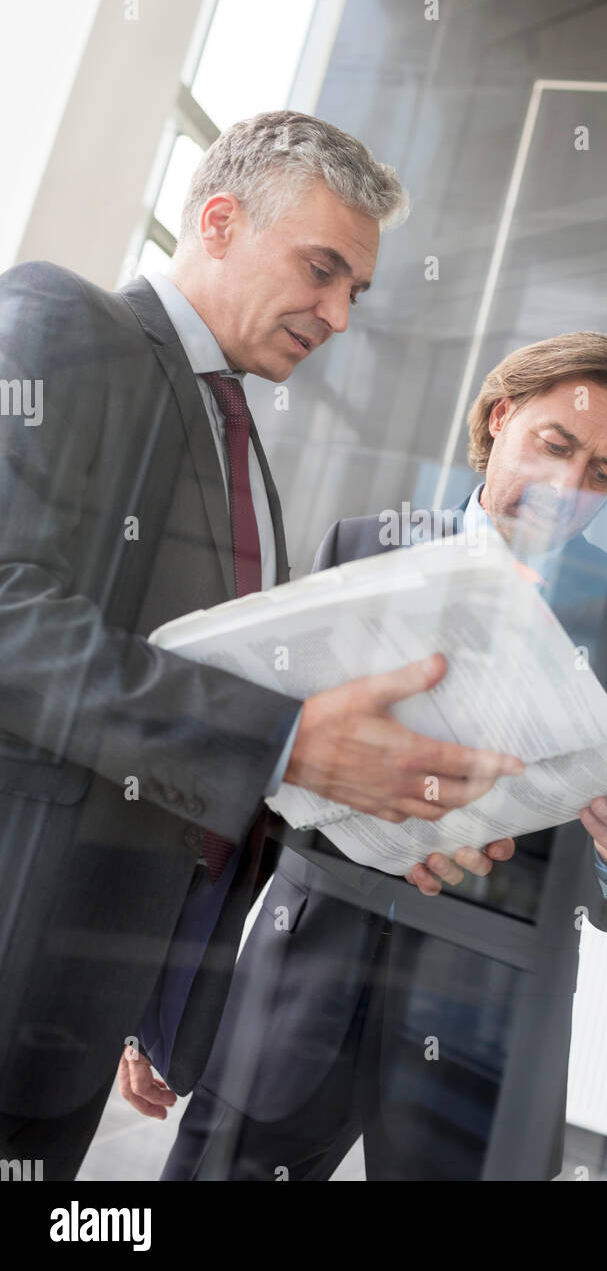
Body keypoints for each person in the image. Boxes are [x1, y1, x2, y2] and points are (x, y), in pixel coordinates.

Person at [0, 110, 522, 1181]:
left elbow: (196, 734)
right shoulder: (64, 322)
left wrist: (367, 813)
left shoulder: (247, 456)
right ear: (221, 219)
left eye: (354, 293)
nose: (336, 315)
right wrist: (284, 739)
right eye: (321, 271)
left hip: (76, 1008)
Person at [158, 332, 607, 1182]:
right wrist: (166, 1006)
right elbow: (256, 797)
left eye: (601, 476)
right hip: (295, 980)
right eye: (555, 447)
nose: (566, 488)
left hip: (487, 1031)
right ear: (500, 416)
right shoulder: (361, 548)